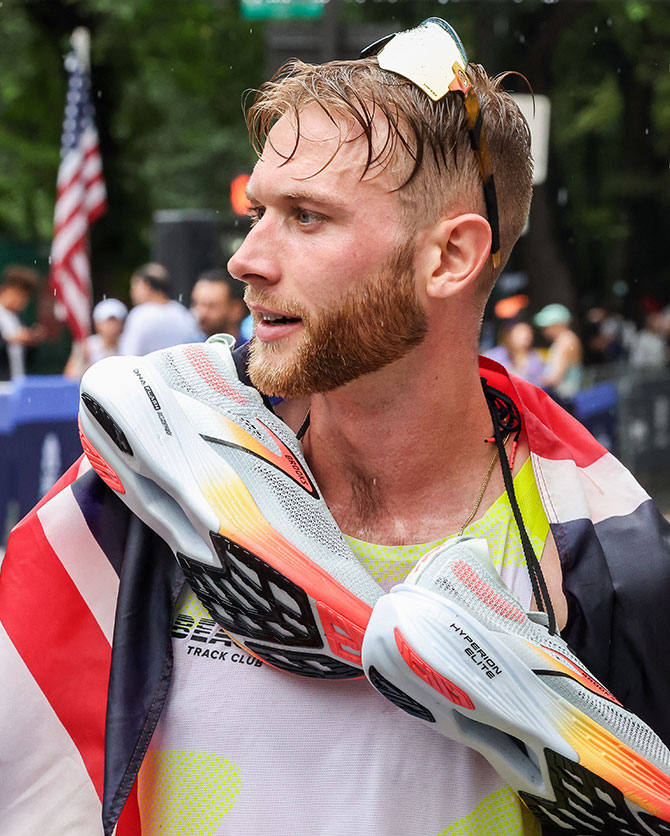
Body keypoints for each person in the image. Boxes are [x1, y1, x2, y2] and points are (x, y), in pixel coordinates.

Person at [2, 18, 670, 836]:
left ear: (449, 258)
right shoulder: (137, 495)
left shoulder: (610, 568)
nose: (246, 259)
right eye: (259, 212)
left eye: (308, 218)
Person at [118, 262, 201, 356]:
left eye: (134, 287)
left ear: (146, 286)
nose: (132, 293)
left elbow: (129, 354)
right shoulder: (182, 313)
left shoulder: (141, 315)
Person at [0, 265, 46, 380]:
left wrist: (32, 340)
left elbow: (24, 358)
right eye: (18, 295)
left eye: (25, 297)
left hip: (16, 383)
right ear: (5, 290)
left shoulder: (18, 319)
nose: (22, 301)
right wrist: (10, 340)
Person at [64, 298, 128, 379]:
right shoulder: (87, 346)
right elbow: (69, 378)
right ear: (97, 324)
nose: (112, 326)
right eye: (108, 321)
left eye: (115, 321)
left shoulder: (130, 345)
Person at [534, 302, 583, 407]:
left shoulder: (565, 341)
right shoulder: (567, 339)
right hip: (565, 398)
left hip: (564, 399)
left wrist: (531, 381)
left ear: (558, 325)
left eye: (547, 326)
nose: (545, 331)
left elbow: (556, 377)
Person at [190, 268, 248, 344]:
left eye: (211, 306)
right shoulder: (190, 351)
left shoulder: (251, 353)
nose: (201, 313)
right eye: (196, 304)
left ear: (236, 309)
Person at [485, 320, 545, 387]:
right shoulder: (498, 354)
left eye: (529, 332)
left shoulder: (535, 356)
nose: (526, 336)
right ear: (509, 335)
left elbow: (542, 381)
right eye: (521, 332)